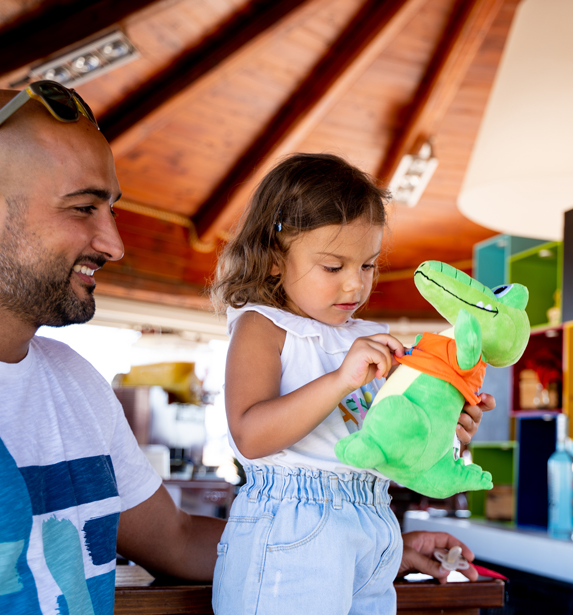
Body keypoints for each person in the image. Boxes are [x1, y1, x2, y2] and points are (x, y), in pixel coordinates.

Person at [0, 82, 225, 615]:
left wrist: (368, 550)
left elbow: (175, 539)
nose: (114, 244)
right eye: (83, 207)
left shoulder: (75, 381)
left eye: (110, 210)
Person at [210, 153, 494, 614]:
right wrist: (341, 378)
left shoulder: (369, 338)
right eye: (333, 267)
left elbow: (393, 443)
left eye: (367, 265)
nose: (354, 287)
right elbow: (250, 433)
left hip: (374, 519)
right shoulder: (262, 326)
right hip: (291, 524)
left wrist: (448, 425)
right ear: (275, 258)